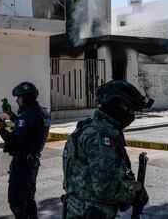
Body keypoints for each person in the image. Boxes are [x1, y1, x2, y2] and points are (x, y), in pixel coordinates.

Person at [62, 80, 153, 219]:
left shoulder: (92, 128)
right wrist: (134, 192)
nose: (132, 115)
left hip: (80, 211)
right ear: (117, 105)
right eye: (130, 109)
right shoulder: (100, 137)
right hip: (89, 213)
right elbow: (105, 188)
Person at [0, 81, 50, 219]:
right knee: (28, 198)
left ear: (26, 98)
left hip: (23, 165)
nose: (17, 100)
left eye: (19, 97)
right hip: (32, 161)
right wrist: (10, 113)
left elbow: (15, 139)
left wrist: (2, 129)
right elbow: (27, 127)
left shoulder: (29, 115)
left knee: (17, 200)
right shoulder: (40, 112)